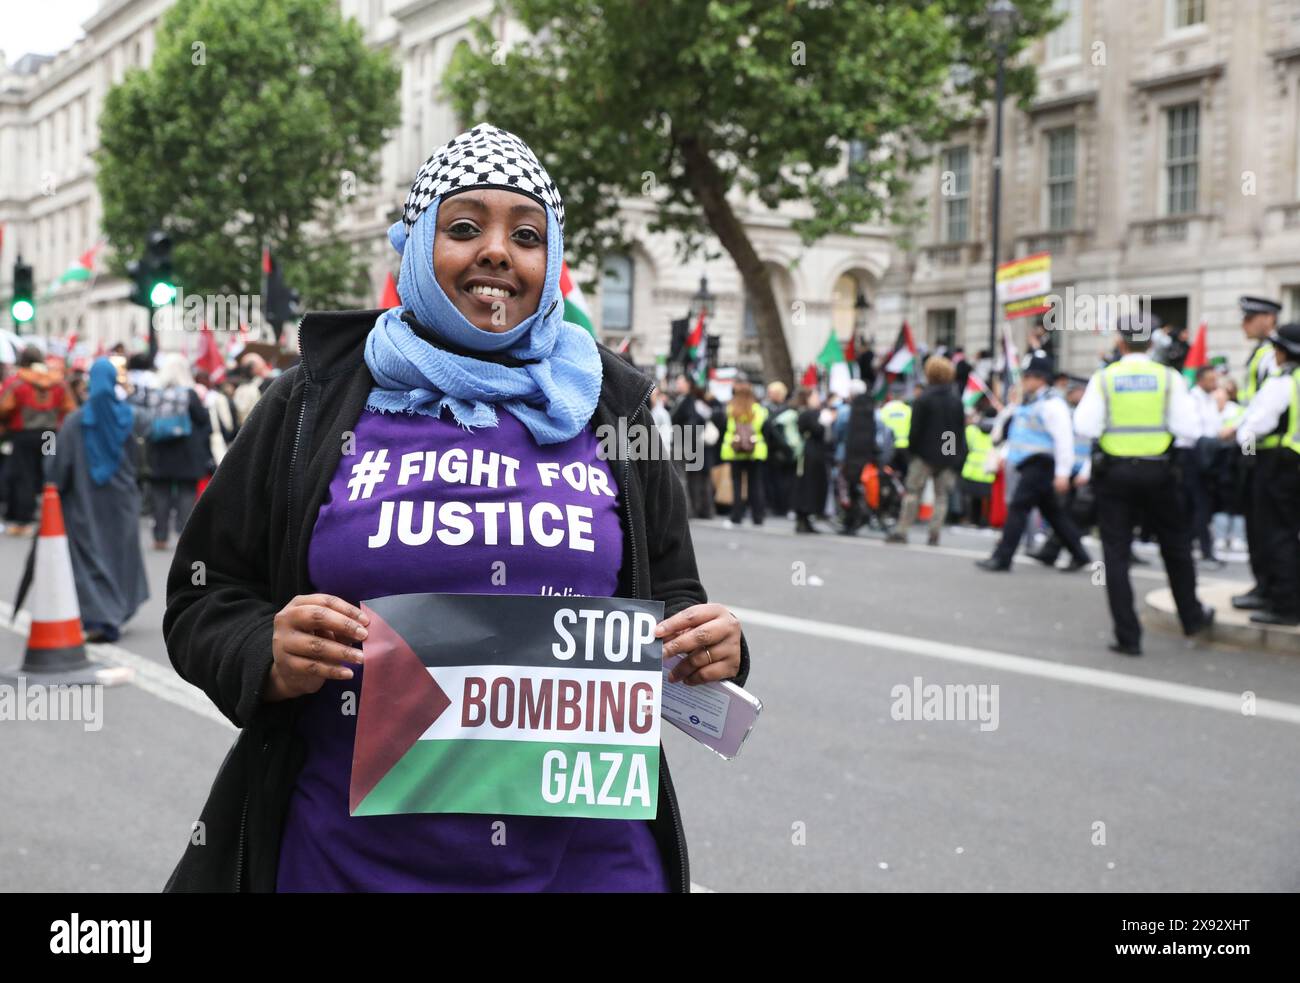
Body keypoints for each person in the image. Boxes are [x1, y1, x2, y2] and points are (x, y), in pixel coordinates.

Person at [162, 123, 750, 894]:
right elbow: (204, 595)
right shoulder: (311, 400)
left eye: (528, 235)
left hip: (590, 868)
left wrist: (714, 646)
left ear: (553, 262)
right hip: (349, 863)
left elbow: (672, 596)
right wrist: (263, 651)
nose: (499, 252)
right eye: (465, 227)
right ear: (414, 249)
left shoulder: (615, 407)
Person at [1073, 316, 1213, 655]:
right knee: (1176, 548)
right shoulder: (1168, 378)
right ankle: (1192, 619)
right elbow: (1190, 431)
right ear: (1151, 343)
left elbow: (1085, 427)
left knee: (1116, 555)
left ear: (1121, 342)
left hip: (1116, 475)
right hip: (1160, 473)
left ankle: (1128, 636)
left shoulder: (1105, 378)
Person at [50, 358, 153, 643]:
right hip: (123, 501)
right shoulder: (129, 417)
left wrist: (53, 490)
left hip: (86, 502)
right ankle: (119, 609)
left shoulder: (75, 422)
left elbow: (60, 468)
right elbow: (140, 454)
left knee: (92, 557)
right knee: (121, 556)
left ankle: (103, 617)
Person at [976, 353, 1091, 573]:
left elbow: (1064, 439)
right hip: (1031, 465)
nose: (1024, 381)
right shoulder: (1033, 401)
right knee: (1053, 513)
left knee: (1018, 508)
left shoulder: (1051, 404)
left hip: (1041, 465)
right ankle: (1079, 554)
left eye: (1028, 376)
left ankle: (1003, 557)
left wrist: (1062, 473)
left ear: (1040, 378)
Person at [1230, 323, 1300, 626]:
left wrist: (1244, 451)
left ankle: (1282, 603)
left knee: (1274, 534)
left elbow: (1254, 425)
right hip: (1291, 463)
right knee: (1287, 533)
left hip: (1275, 463)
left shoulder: (1283, 382)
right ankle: (1275, 593)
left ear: (1284, 351)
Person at [1227, 295, 1282, 610]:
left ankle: (1268, 587)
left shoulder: (1271, 356)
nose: (1243, 325)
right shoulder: (1262, 353)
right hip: (1257, 448)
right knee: (1260, 523)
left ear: (1268, 319)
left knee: (1266, 525)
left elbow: (1266, 408)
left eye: (1249, 318)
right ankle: (1265, 585)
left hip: (1266, 451)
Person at [135, 353, 213, 550]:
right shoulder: (189, 393)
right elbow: (203, 420)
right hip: (187, 452)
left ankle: (160, 537)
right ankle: (183, 536)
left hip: (159, 451)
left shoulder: (153, 393)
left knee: (160, 494)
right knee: (186, 494)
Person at [888, 355, 965, 547]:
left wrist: (913, 451)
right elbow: (956, 431)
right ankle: (934, 533)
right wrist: (951, 454)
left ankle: (902, 530)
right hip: (946, 453)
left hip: (924, 454)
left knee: (913, 492)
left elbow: (916, 430)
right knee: (941, 496)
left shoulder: (923, 399)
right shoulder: (956, 400)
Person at [0, 346, 76, 535]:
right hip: (49, 434)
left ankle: (24, 520)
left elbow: (4, 407)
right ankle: (53, 517)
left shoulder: (17, 382)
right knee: (50, 472)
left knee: (24, 475)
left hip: (24, 434)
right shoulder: (58, 382)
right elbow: (71, 408)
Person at [720, 380, 768, 527]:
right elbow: (765, 430)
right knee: (756, 484)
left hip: (735, 451)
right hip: (755, 451)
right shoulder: (760, 411)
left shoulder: (730, 410)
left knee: (737, 485)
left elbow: (724, 428)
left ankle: (736, 515)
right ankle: (758, 516)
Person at [669, 376, 716, 518]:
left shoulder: (688, 401)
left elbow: (690, 421)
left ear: (688, 385)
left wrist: (682, 437)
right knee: (691, 477)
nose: (677, 384)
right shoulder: (685, 400)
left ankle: (685, 509)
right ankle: (696, 508)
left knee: (681, 477)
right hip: (687, 442)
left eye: (680, 382)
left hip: (682, 442)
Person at [837, 379, 879, 535]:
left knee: (846, 489)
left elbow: (838, 433)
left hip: (847, 456)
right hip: (866, 456)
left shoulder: (845, 412)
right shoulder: (873, 411)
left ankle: (849, 519)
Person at [791, 387, 831, 533]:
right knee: (808, 486)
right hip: (811, 455)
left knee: (810, 486)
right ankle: (803, 516)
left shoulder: (806, 413)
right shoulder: (808, 413)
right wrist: (823, 422)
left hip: (813, 453)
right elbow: (816, 430)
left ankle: (806, 518)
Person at [960, 409, 998, 526]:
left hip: (971, 469)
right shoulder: (997, 431)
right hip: (988, 471)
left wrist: (949, 454)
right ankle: (984, 520)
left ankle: (969, 519)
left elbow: (962, 446)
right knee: (986, 499)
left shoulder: (971, 430)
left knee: (970, 497)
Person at [761, 380, 794, 517]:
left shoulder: (786, 410)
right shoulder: (766, 409)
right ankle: (774, 505)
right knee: (771, 480)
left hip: (781, 450)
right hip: (771, 449)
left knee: (781, 481)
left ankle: (781, 506)